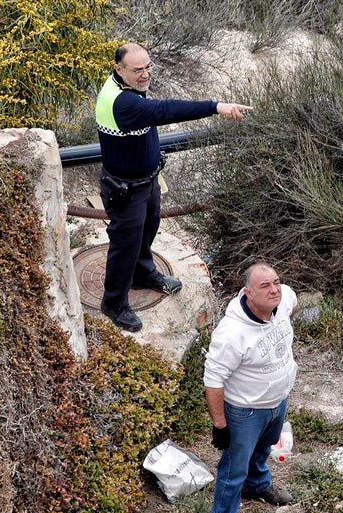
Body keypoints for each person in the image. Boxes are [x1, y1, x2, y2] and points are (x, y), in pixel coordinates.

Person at [96, 42, 253, 332]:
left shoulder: (128, 86)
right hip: (126, 189)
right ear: (118, 69)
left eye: (148, 67)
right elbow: (166, 110)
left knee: (147, 230)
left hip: (145, 181)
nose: (145, 75)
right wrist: (215, 107)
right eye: (137, 70)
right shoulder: (122, 102)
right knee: (124, 245)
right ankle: (114, 302)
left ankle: (142, 273)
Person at [203, 263, 298, 513]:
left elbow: (291, 305)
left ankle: (257, 485)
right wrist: (221, 425)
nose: (274, 290)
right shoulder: (231, 334)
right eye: (265, 286)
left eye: (276, 282)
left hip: (276, 403)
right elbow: (213, 379)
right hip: (244, 412)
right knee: (233, 471)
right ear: (247, 293)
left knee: (263, 449)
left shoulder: (283, 301)